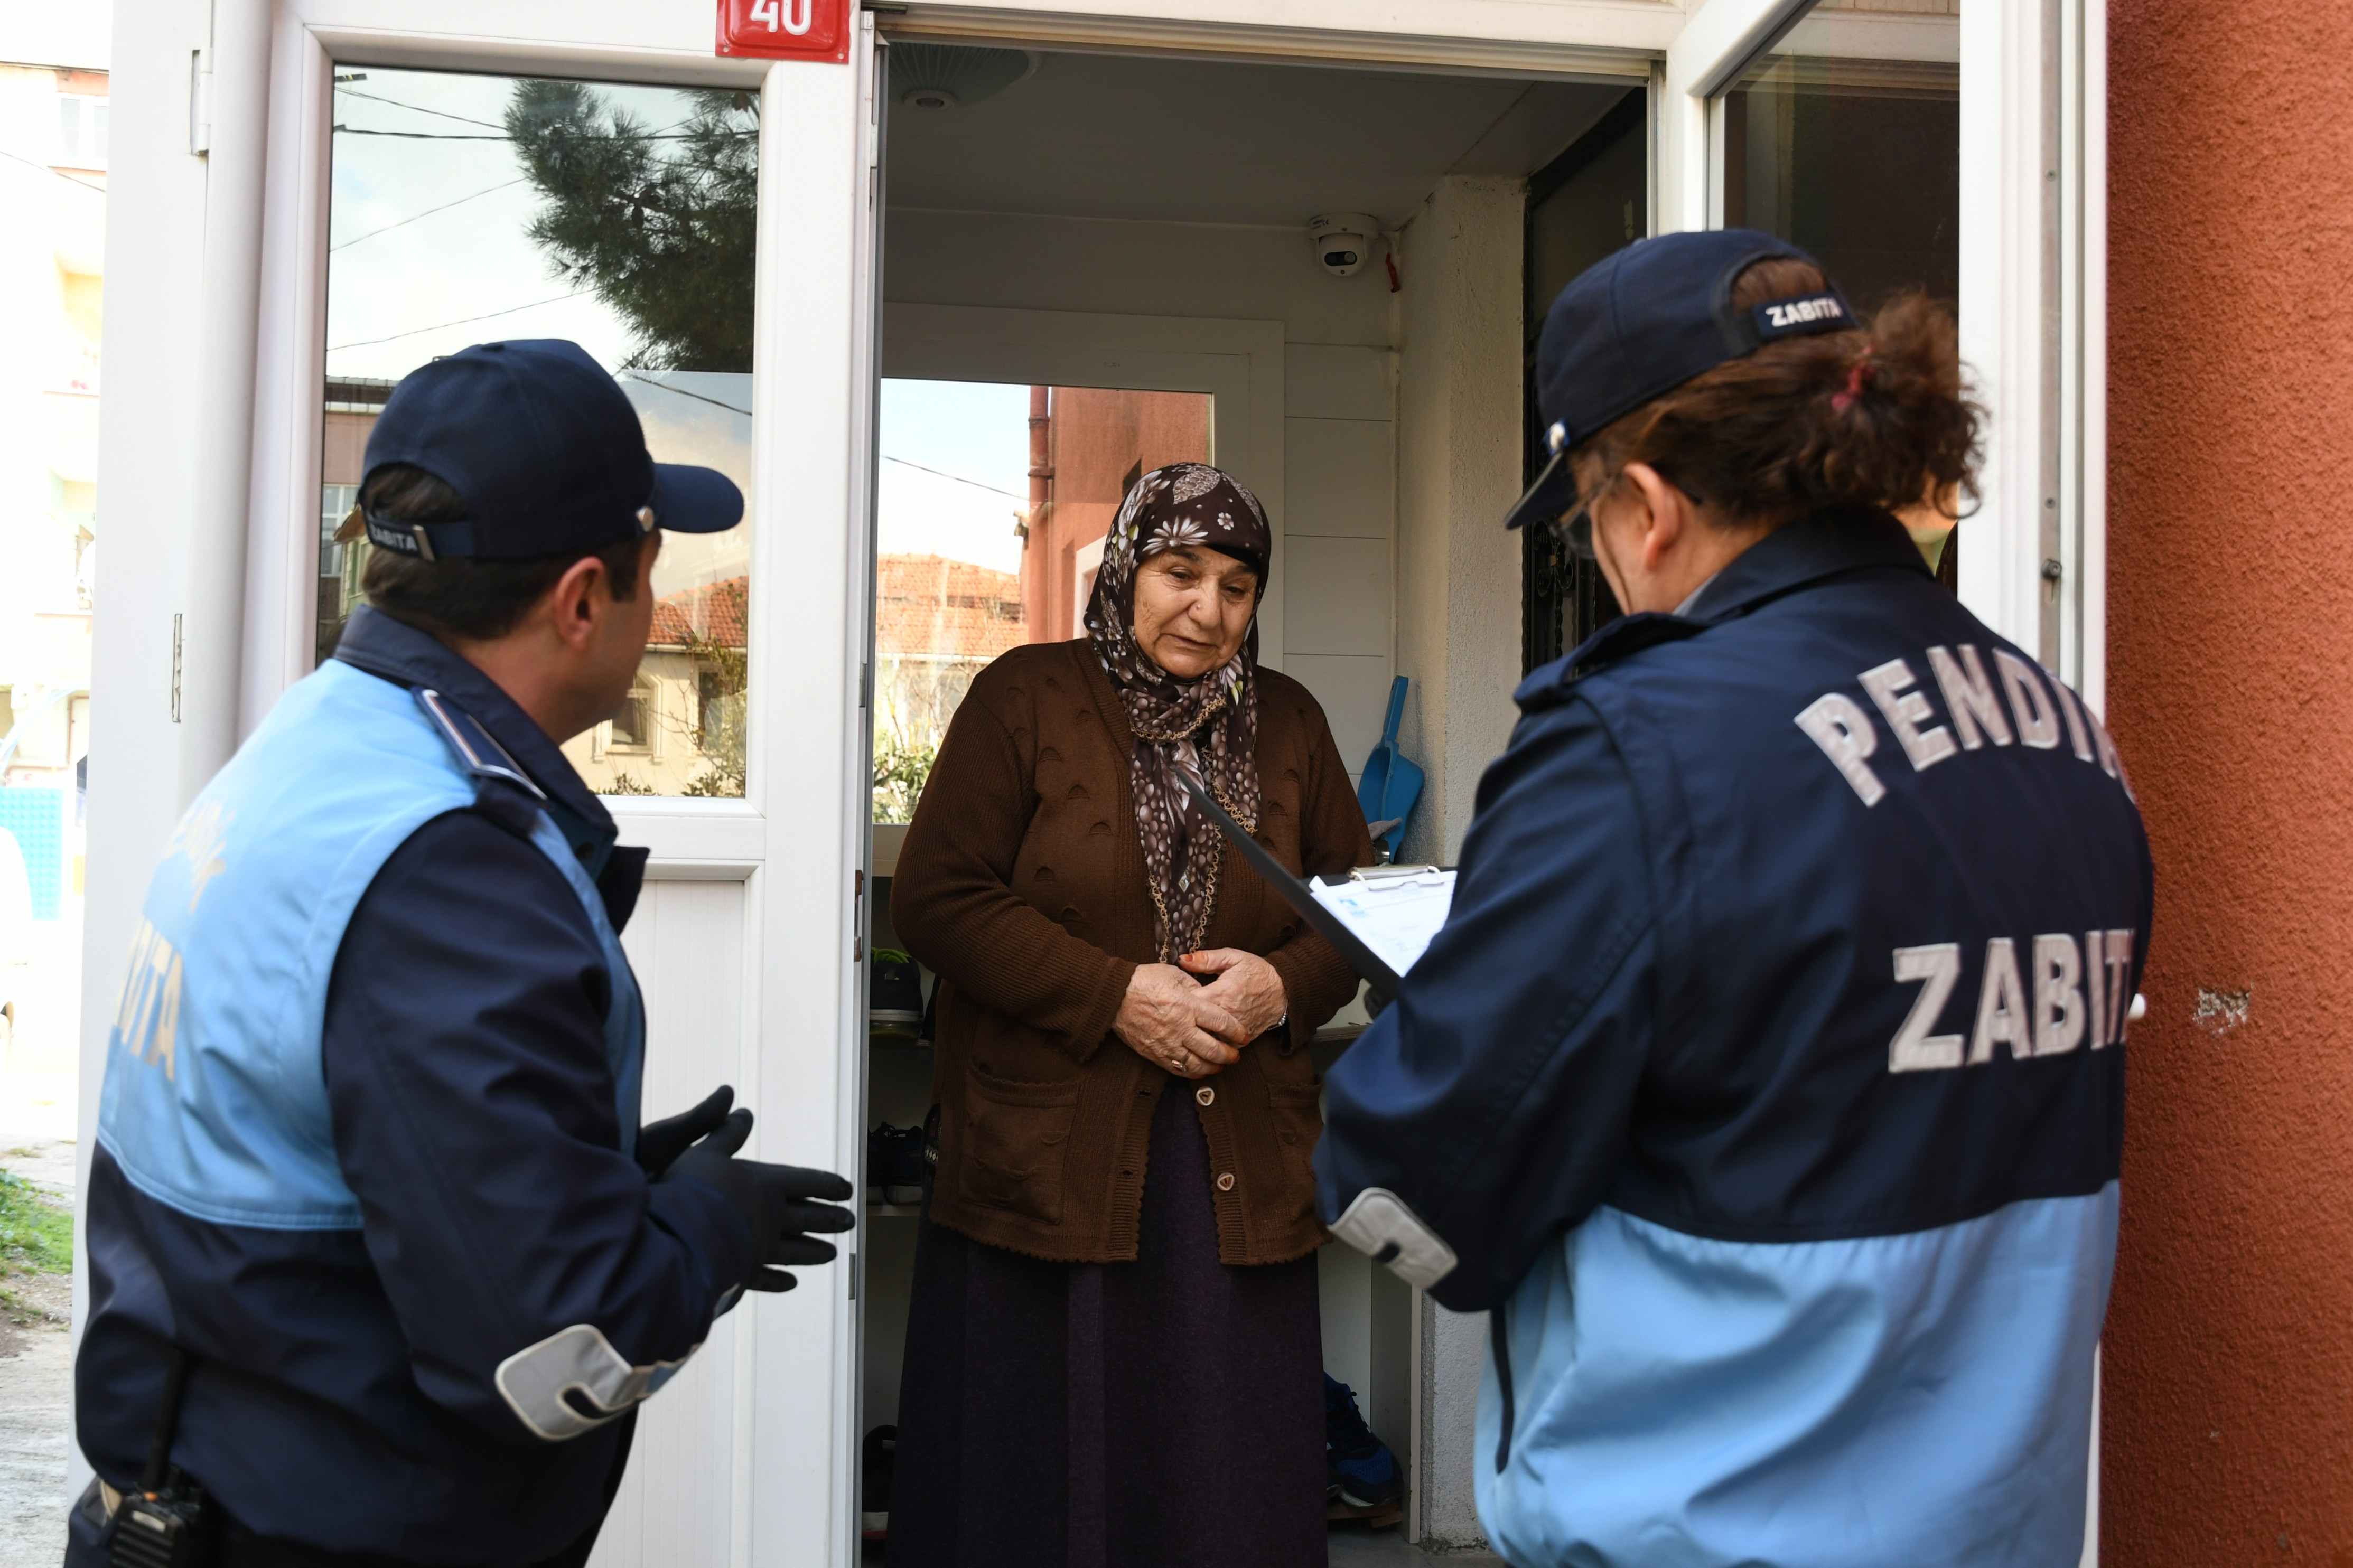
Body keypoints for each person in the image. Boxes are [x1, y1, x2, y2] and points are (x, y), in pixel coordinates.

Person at [1316, 232, 2152, 1566]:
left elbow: (1421, 1196)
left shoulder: (1637, 749)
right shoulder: (2070, 741)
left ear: (1643, 507)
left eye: (1586, 516)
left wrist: (1447, 1015)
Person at [70, 340, 853, 1568]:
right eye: (657, 571)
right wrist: (706, 1233)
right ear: (585, 597)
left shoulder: (327, 739)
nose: (660, 612)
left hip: (217, 1479)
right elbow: (551, 1355)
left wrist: (596, 1182)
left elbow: (339, 1136)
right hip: (324, 1529)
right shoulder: (448, 865)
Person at [886, 463, 1375, 1567]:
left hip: (1229, 1154)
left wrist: (1279, 986)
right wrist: (1114, 995)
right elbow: (938, 901)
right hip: (1045, 1152)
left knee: (1218, 1456)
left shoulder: (1287, 721)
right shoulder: (1026, 697)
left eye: (1237, 586)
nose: (1209, 609)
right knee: (1035, 1462)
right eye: (1178, 572)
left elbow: (1352, 915)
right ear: (1123, 570)